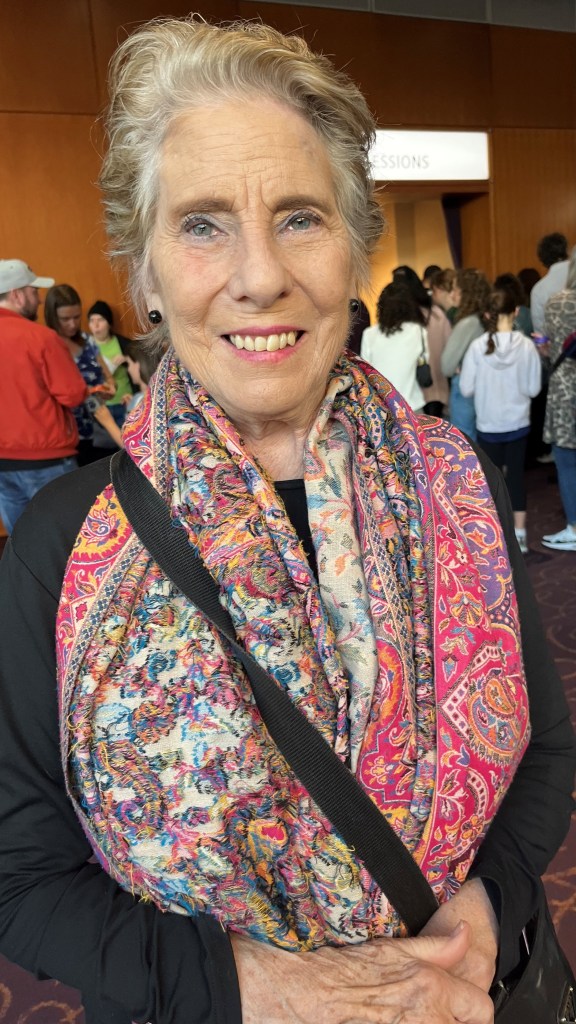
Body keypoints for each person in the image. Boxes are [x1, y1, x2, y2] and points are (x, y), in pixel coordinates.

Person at [0, 17, 574, 1024]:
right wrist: (261, 986)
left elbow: (546, 750)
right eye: (204, 223)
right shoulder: (65, 541)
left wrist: (493, 903)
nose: (259, 275)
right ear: (144, 270)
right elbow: (19, 865)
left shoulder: (457, 480)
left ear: (357, 241)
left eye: (301, 217)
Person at [0, 259, 86, 533]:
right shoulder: (42, 338)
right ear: (17, 294)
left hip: (3, 463)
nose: (38, 300)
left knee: (23, 545)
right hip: (48, 458)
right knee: (69, 543)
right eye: (33, 292)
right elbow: (73, 395)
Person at [459, 286, 542, 554]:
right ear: (516, 311)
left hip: (489, 425)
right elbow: (533, 389)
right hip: (518, 423)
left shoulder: (476, 347)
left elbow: (466, 390)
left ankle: (496, 537)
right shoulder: (528, 345)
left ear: (487, 314)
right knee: (516, 478)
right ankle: (520, 536)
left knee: (492, 482)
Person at [44, 284, 123, 462]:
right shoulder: (49, 345)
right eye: (65, 319)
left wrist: (109, 388)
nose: (72, 324)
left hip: (99, 426)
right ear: (52, 317)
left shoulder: (86, 340)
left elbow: (107, 376)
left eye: (77, 317)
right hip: (69, 434)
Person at [541, 246, 576, 551]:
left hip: (567, 388)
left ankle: (574, 527)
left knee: (566, 461)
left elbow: (551, 349)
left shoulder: (558, 303)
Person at [361, 281, 429, 411]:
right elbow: (424, 360)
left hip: (381, 407)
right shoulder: (419, 331)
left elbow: (365, 372)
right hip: (412, 406)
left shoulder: (369, 334)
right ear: (409, 307)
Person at [392, 264, 450, 416]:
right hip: (437, 386)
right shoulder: (436, 314)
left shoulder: (397, 323)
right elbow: (448, 347)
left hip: (411, 394)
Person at [440, 268, 491, 440]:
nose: (451, 294)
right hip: (483, 386)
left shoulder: (467, 323)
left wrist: (455, 368)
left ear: (465, 293)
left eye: (454, 289)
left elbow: (446, 366)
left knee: (466, 443)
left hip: (464, 389)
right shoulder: (484, 318)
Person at [87, 299, 135, 428]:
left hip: (125, 400)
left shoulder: (123, 343)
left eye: (100, 320)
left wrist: (127, 358)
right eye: (92, 320)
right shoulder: (86, 348)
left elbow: (142, 366)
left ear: (109, 323)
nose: (95, 325)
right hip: (101, 407)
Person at [530, 233, 570, 335]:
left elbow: (540, 333)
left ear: (542, 260)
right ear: (566, 251)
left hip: (556, 348)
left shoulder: (539, 290)